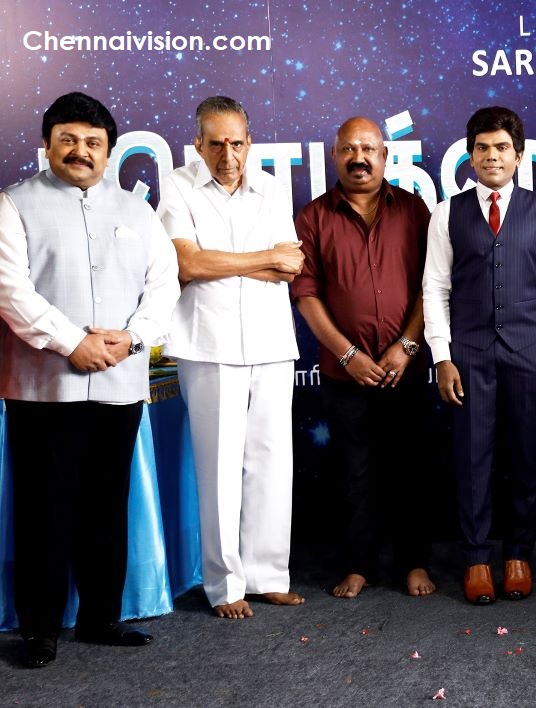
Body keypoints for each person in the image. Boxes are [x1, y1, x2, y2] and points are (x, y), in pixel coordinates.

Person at [0, 92, 179, 667]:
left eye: (93, 143)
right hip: (43, 388)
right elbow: (10, 289)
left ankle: (102, 618)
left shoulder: (137, 211)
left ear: (109, 151)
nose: (81, 151)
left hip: (119, 384)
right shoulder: (13, 204)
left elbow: (164, 286)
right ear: (47, 143)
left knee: (106, 506)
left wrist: (132, 339)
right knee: (43, 510)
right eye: (69, 140)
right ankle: (40, 630)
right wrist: (71, 342)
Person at [158, 96, 305, 619]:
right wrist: (262, 259)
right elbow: (188, 264)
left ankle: (268, 576)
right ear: (198, 144)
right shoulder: (177, 185)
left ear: (249, 142)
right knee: (218, 468)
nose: (228, 155)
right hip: (208, 343)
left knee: (272, 463)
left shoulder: (271, 188)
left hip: (271, 342)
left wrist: (226, 263)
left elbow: (291, 266)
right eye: (217, 144)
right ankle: (225, 586)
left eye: (237, 143)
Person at [423, 106, 536, 605]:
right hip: (468, 357)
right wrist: (442, 356)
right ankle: (477, 559)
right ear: (469, 156)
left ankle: (518, 556)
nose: (492, 156)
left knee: (526, 459)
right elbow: (435, 289)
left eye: (502, 148)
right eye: (483, 148)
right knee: (472, 462)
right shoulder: (447, 213)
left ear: (519, 155)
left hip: (528, 353)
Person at [293, 116, 435, 599]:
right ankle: (359, 565)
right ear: (335, 156)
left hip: (406, 369)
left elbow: (432, 285)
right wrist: (347, 353)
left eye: (368, 149)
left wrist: (408, 345)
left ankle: (414, 563)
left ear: (384, 155)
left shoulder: (414, 211)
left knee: (411, 469)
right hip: (344, 374)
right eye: (349, 149)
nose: (359, 158)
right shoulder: (313, 218)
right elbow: (306, 294)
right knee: (353, 473)